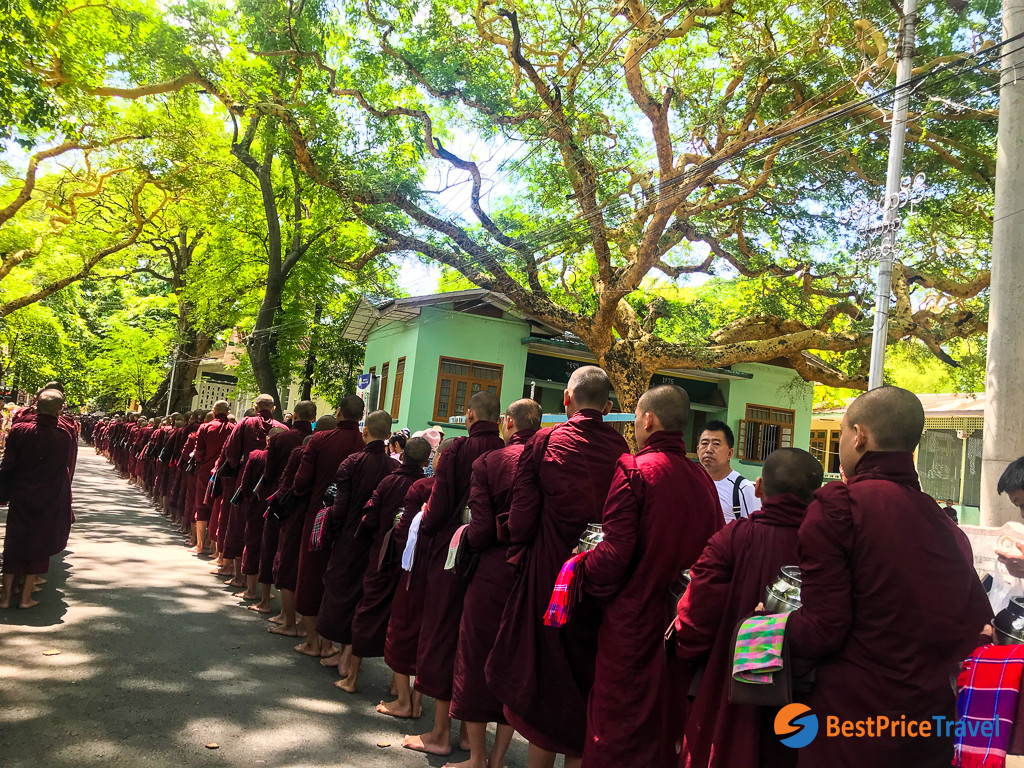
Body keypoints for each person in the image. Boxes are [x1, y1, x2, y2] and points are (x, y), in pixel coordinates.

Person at [786, 386, 991, 768]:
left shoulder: (839, 506)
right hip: (928, 722)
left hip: (853, 721)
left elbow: (823, 627)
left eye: (844, 431)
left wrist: (772, 625)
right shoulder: (943, 523)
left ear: (859, 435)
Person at [486, 366, 629, 768]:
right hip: (599, 578)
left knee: (545, 683)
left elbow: (522, 517)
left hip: (548, 579)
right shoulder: (623, 452)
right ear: (609, 406)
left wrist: (516, 552)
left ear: (566, 400)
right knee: (584, 680)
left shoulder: (548, 440)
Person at [580, 385, 722, 768]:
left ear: (647, 420)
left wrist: (579, 568)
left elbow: (613, 555)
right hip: (679, 626)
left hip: (633, 621)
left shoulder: (635, 469)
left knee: (615, 728)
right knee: (665, 726)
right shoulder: (703, 480)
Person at [674, 447, 824, 768]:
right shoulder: (827, 550)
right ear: (816, 498)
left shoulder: (733, 538)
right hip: (800, 695)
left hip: (728, 687)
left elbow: (695, 615)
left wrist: (691, 656)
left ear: (758, 488)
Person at [402, 391, 505, 757]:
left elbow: (441, 503)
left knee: (444, 634)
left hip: (451, 551)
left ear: (470, 413)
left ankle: (440, 733)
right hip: (491, 558)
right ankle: (466, 734)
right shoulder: (507, 452)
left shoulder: (459, 449)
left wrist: (422, 528)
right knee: (474, 640)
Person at [450, 399, 542, 768]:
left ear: (508, 423)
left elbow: (482, 528)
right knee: (513, 661)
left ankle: (476, 758)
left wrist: (465, 540)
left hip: (491, 569)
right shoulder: (549, 461)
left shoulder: (489, 462)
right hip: (531, 572)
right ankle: (499, 758)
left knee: (474, 657)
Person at [342, 436, 432, 692]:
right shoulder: (428, 487)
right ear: (427, 461)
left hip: (382, 556)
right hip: (413, 563)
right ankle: (397, 684)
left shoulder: (389, 481)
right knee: (404, 619)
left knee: (367, 612)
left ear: (401, 456)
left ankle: (352, 677)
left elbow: (370, 516)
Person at [315, 409, 400, 677]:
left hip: (350, 538)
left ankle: (339, 652)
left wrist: (336, 532)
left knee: (339, 592)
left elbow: (339, 507)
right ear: (388, 436)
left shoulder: (352, 462)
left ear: (365, 431)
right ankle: (348, 655)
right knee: (364, 597)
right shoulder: (395, 469)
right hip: (379, 543)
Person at [378, 441, 449, 720]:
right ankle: (418, 701)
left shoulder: (423, 487)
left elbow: (404, 529)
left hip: (415, 570)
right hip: (446, 573)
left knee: (403, 630)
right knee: (428, 634)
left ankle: (405, 702)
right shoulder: (468, 491)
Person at [290, 396, 365, 655]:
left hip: (318, 517)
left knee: (311, 576)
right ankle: (332, 645)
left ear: (340, 412)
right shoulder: (365, 444)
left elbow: (300, 483)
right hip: (352, 524)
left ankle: (313, 642)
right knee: (339, 581)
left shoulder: (321, 440)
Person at [0, 390, 76, 609]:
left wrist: (4, 492)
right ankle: (26, 597)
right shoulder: (64, 436)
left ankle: (5, 597)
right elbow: (62, 470)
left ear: (36, 405)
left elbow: (8, 465)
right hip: (48, 496)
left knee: (14, 541)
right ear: (60, 409)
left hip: (21, 494)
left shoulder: (19, 429)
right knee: (38, 543)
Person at [253, 400, 316, 614]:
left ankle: (265, 601)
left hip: (279, 500)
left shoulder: (281, 439)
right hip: (308, 504)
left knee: (270, 547)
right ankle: (297, 613)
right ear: (314, 418)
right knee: (297, 555)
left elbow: (269, 474)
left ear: (295, 415)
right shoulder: (317, 441)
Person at [218, 394, 286, 589]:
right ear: (273, 409)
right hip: (271, 485)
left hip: (245, 480)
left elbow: (231, 451)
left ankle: (239, 577)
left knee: (240, 527)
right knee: (263, 531)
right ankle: (261, 584)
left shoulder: (246, 423)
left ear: (256, 407)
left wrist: (237, 465)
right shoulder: (282, 429)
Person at [697, 420, 760, 523]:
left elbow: (754, 532)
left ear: (730, 453)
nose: (709, 449)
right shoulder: (692, 484)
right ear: (698, 450)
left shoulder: (743, 489)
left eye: (716, 444)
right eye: (704, 443)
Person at [192, 401, 233, 557]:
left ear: (214, 411)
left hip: (205, 472)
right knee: (218, 508)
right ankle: (214, 547)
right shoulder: (233, 428)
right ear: (228, 412)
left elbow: (198, 451)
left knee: (201, 507)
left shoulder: (205, 427)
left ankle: (200, 545)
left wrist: (200, 462)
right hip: (223, 473)